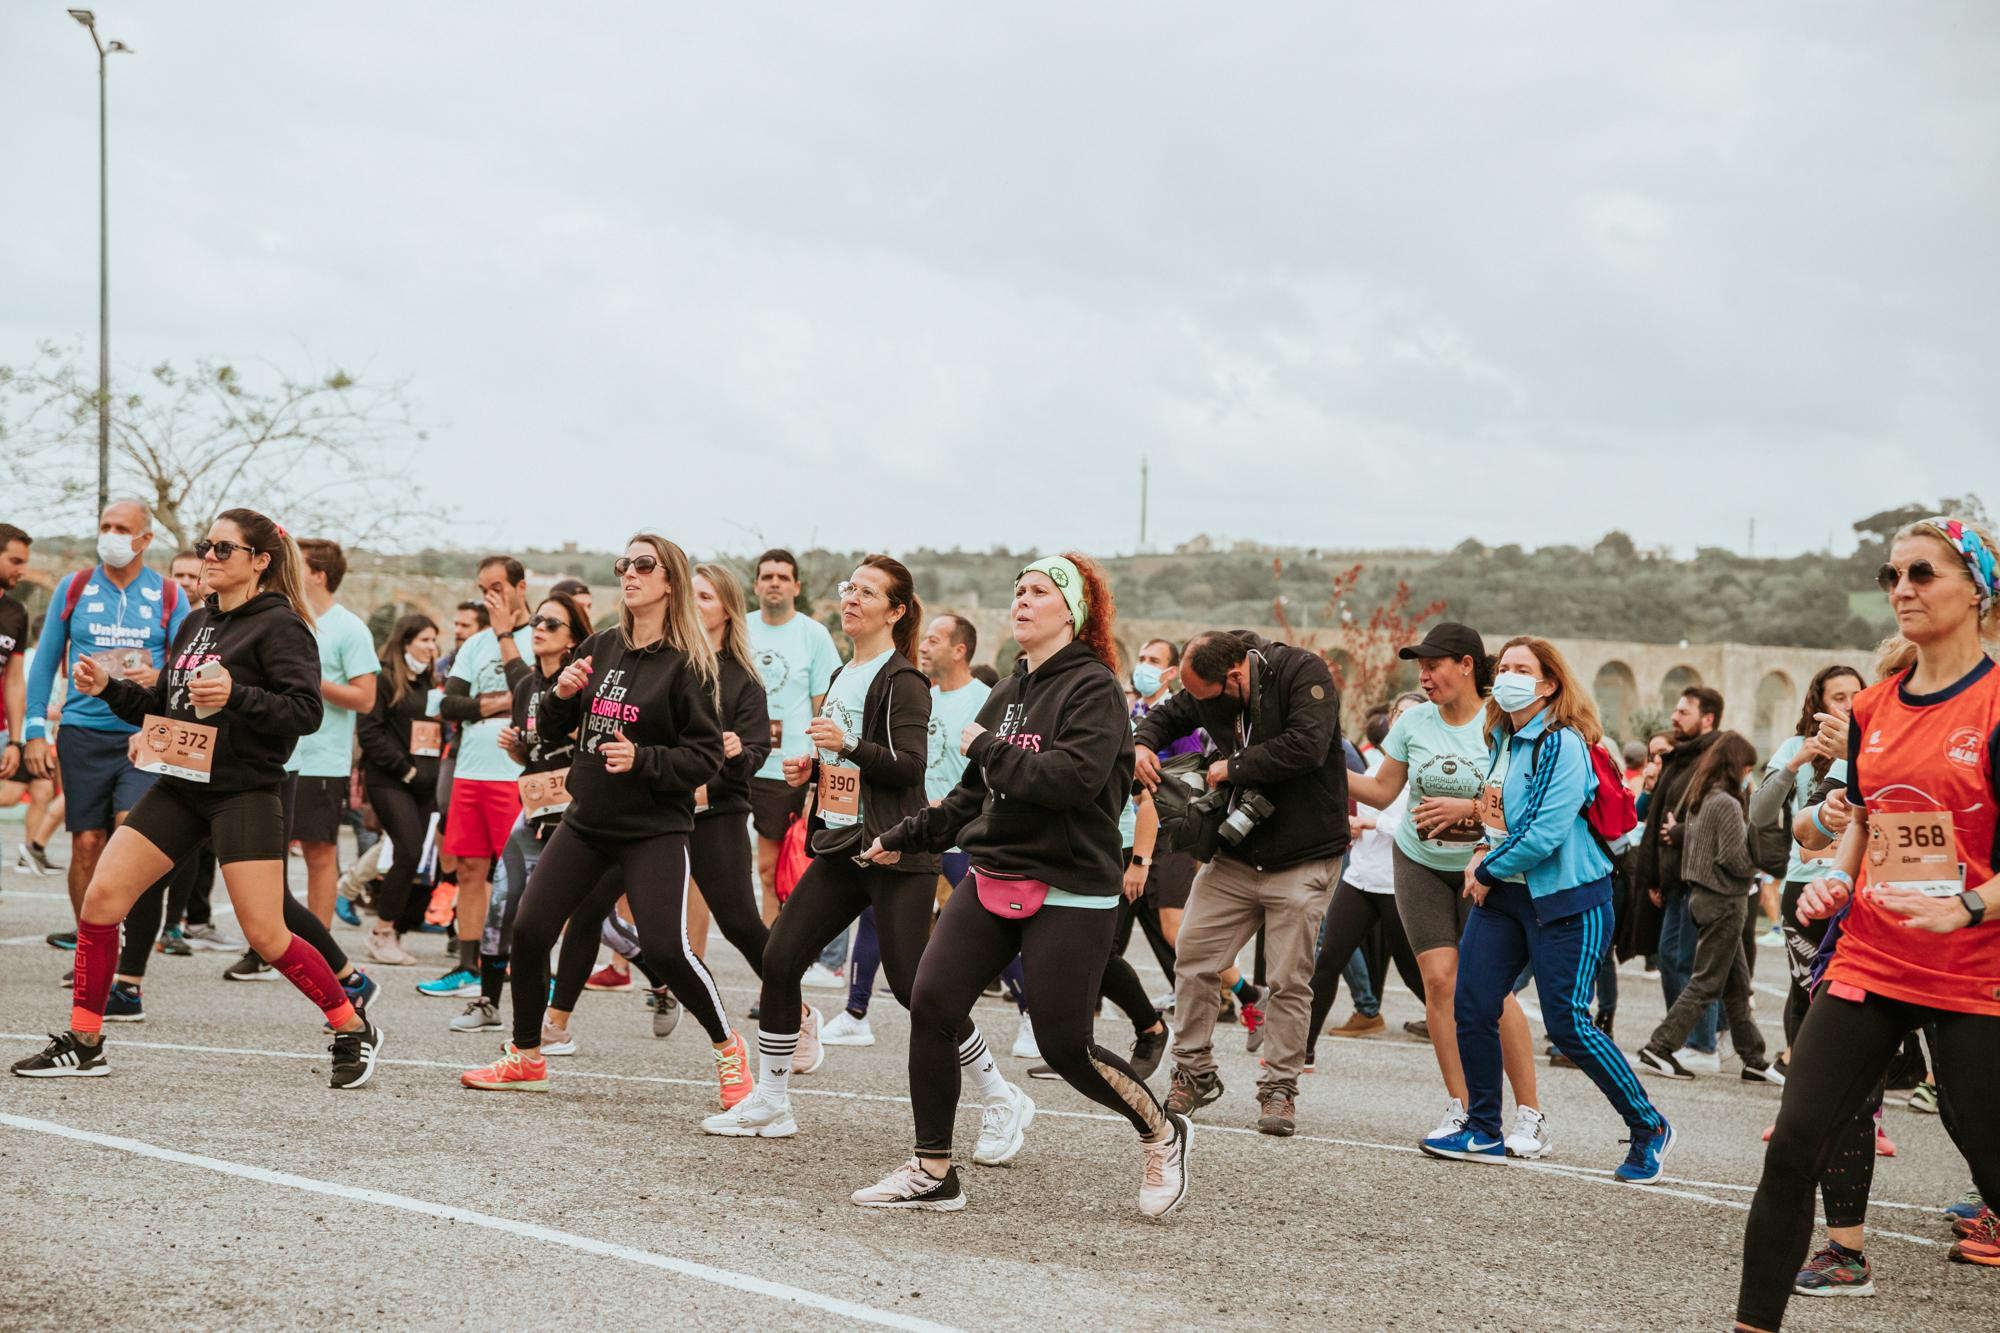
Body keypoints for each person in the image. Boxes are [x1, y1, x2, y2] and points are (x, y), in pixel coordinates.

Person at [851, 553, 1189, 1216]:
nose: (1022, 600)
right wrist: (903, 836)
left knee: (1066, 1046)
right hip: (993, 872)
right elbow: (969, 800)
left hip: (1070, 882)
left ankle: (1162, 1131)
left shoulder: (1094, 690)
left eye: (1039, 591)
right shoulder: (1007, 694)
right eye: (1018, 590)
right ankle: (933, 1169)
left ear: (1074, 610)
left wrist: (984, 746)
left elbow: (1069, 780)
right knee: (933, 1002)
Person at [11, 508, 384, 1088]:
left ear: (259, 561)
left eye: (223, 549)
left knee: (266, 933)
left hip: (243, 793)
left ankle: (351, 1024)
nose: (209, 556)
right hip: (179, 786)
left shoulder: (282, 626)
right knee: (102, 901)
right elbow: (163, 707)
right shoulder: (195, 622)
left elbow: (305, 713)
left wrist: (238, 695)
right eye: (206, 545)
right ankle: (85, 1041)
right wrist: (109, 689)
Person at [1736, 517, 2000, 1331]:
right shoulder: (1876, 705)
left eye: (1922, 572)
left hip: (1975, 974)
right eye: (1891, 576)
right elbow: (1870, 817)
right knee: (1791, 1149)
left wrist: (1966, 904)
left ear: (1977, 588)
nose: (1903, 590)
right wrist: (1838, 882)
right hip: (1871, 958)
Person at [703, 556, 1027, 1154]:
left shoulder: (903, 680)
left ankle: (1002, 1096)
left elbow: (908, 767)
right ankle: (772, 1102)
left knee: (915, 991)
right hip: (841, 847)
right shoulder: (841, 673)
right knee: (780, 959)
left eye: (867, 592)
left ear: (895, 611)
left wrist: (847, 744)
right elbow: (846, 764)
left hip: (895, 852)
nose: (851, 598)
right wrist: (813, 769)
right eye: (849, 588)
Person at [459, 535, 748, 1111]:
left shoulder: (690, 665)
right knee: (532, 927)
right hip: (586, 819)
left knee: (666, 949)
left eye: (645, 564)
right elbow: (555, 723)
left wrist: (643, 760)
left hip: (653, 828)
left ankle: (729, 1047)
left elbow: (706, 756)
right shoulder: (603, 644)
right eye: (625, 564)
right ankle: (526, 1055)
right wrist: (564, 696)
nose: (630, 573)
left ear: (672, 582)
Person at [1424, 635, 1672, 1184]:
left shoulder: (1564, 744)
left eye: (1522, 668)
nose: (1507, 675)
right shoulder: (1503, 738)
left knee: (1568, 1024)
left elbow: (1544, 831)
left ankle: (1648, 1126)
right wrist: (1483, 853)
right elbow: (1496, 816)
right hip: (1505, 896)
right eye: (1503, 666)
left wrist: (1483, 868)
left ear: (1549, 683)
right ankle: (1483, 1129)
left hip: (1568, 901)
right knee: (1473, 1003)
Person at [1136, 628, 1351, 1137]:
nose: (1199, 706)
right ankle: (1194, 1072)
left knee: (1288, 981)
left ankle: (1280, 1089)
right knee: (1192, 957)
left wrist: (1229, 768)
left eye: (1206, 696)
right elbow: (1171, 713)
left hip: (1304, 856)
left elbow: (1308, 745)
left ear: (1235, 675)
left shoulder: (1303, 673)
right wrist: (1142, 744)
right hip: (1235, 854)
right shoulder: (1211, 684)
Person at [1345, 622, 1547, 1153]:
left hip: (1487, 867)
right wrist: (1320, 763)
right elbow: (1383, 791)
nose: (1424, 676)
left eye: (1432, 665)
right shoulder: (1413, 721)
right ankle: (1463, 1110)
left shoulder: (1503, 722)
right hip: (1419, 860)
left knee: (1491, 989)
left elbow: (1524, 800)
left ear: (1466, 665)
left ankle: (1529, 1115)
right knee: (1439, 981)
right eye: (1419, 667)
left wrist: (1471, 809)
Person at [23, 501, 190, 953]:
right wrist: (34, 729)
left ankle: (130, 952)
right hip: (82, 729)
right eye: (105, 526)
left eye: (122, 528)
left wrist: (158, 676)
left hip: (146, 732)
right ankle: (92, 948)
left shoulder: (170, 594)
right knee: (87, 842)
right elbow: (43, 662)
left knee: (131, 832)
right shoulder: (74, 586)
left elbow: (186, 666)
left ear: (145, 539)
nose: (112, 535)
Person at [824, 611, 992, 1048]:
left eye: (937, 639)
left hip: (960, 828)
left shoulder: (982, 698)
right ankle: (855, 1013)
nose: (927, 645)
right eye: (927, 637)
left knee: (977, 922)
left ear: (960, 649)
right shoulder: (925, 694)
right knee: (872, 919)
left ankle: (1029, 1014)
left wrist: (953, 803)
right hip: (911, 826)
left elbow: (988, 768)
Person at [454, 591, 595, 1033]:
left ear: (573, 641)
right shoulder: (525, 686)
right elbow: (531, 757)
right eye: (537, 621)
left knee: (598, 919)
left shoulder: (586, 687)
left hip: (577, 815)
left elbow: (587, 749)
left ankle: (662, 985)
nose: (538, 628)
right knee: (503, 901)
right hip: (533, 811)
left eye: (552, 624)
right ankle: (488, 1001)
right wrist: (517, 750)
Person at [1635, 731, 1782, 1081]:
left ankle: (1753, 1056)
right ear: (1738, 767)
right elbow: (1732, 857)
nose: (1750, 774)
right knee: (1707, 983)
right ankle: (1660, 1046)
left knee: (1735, 984)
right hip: (1725, 899)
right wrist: (1759, 864)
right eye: (1748, 767)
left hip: (1701, 896)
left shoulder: (1704, 798)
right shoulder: (1728, 803)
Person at [426, 556, 533, 997]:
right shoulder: (474, 645)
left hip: (515, 775)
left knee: (518, 876)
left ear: (520, 588)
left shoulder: (537, 637)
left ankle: (516, 965)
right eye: (483, 587)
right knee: (469, 870)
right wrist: (497, 704)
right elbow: (450, 705)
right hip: (470, 772)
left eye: (498, 587)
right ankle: (467, 966)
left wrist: (501, 702)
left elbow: (531, 698)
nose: (491, 596)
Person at [1308, 703, 1430, 1071]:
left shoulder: (1425, 772)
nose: (1400, 721)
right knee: (1327, 961)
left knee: (1416, 975)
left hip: (1397, 885)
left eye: (1411, 714)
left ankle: (1466, 1035)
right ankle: (1303, 1051)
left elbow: (1418, 828)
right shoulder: (1377, 768)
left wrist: (1370, 827)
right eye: (1397, 715)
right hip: (1359, 880)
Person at [680, 563, 773, 976]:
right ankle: (552, 1023)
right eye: (690, 595)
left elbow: (756, 752)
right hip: (657, 811)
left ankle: (799, 1010)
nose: (694, 605)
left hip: (717, 816)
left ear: (728, 611)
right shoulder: (668, 663)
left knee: (739, 923)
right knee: (597, 906)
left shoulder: (744, 679)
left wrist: (735, 754)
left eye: (705, 597)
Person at [281, 539, 380, 928]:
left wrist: (311, 682)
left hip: (322, 761)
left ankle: (319, 945)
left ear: (319, 575)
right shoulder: (283, 619)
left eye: (297, 565)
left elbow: (366, 698)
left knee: (319, 853)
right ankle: (266, 944)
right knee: (267, 856)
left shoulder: (349, 628)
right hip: (277, 756)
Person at [744, 549, 843, 929]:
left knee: (774, 872)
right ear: (755, 585)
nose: (774, 583)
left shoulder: (813, 635)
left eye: (783, 577)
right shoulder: (739, 627)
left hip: (787, 768)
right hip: (738, 761)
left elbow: (826, 708)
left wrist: (817, 775)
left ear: (796, 587)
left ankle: (775, 963)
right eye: (767, 576)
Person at [1635, 684, 1729, 1071]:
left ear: (1707, 718)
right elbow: (1657, 815)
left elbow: (1726, 818)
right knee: (1675, 958)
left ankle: (1702, 1043)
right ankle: (1699, 1035)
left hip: (1699, 878)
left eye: (1683, 712)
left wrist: (1681, 833)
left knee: (1687, 961)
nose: (1674, 718)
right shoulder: (1680, 757)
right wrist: (1656, 874)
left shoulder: (1716, 760)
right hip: (1674, 877)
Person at [356, 614, 446, 965]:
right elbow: (370, 733)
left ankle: (393, 929)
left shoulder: (431, 686)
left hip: (425, 784)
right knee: (408, 850)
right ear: (404, 642)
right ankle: (381, 933)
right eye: (424, 640)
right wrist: (405, 769)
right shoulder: (383, 679)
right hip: (390, 780)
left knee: (414, 859)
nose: (431, 647)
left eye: (434, 641)